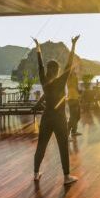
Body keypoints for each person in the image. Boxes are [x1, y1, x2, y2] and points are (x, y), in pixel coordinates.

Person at [33, 35, 80, 185]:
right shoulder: (61, 81)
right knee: (63, 147)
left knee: (41, 146)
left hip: (46, 118)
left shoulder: (44, 81)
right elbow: (69, 63)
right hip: (59, 119)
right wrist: (73, 45)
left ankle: (35, 174)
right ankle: (66, 177)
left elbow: (40, 67)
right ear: (58, 70)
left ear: (48, 70)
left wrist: (38, 48)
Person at [67, 70, 82, 139]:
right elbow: (73, 86)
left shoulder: (74, 77)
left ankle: (74, 131)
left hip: (75, 98)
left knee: (77, 116)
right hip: (72, 99)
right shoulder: (70, 78)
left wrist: (79, 92)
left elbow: (76, 87)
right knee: (73, 117)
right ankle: (67, 133)